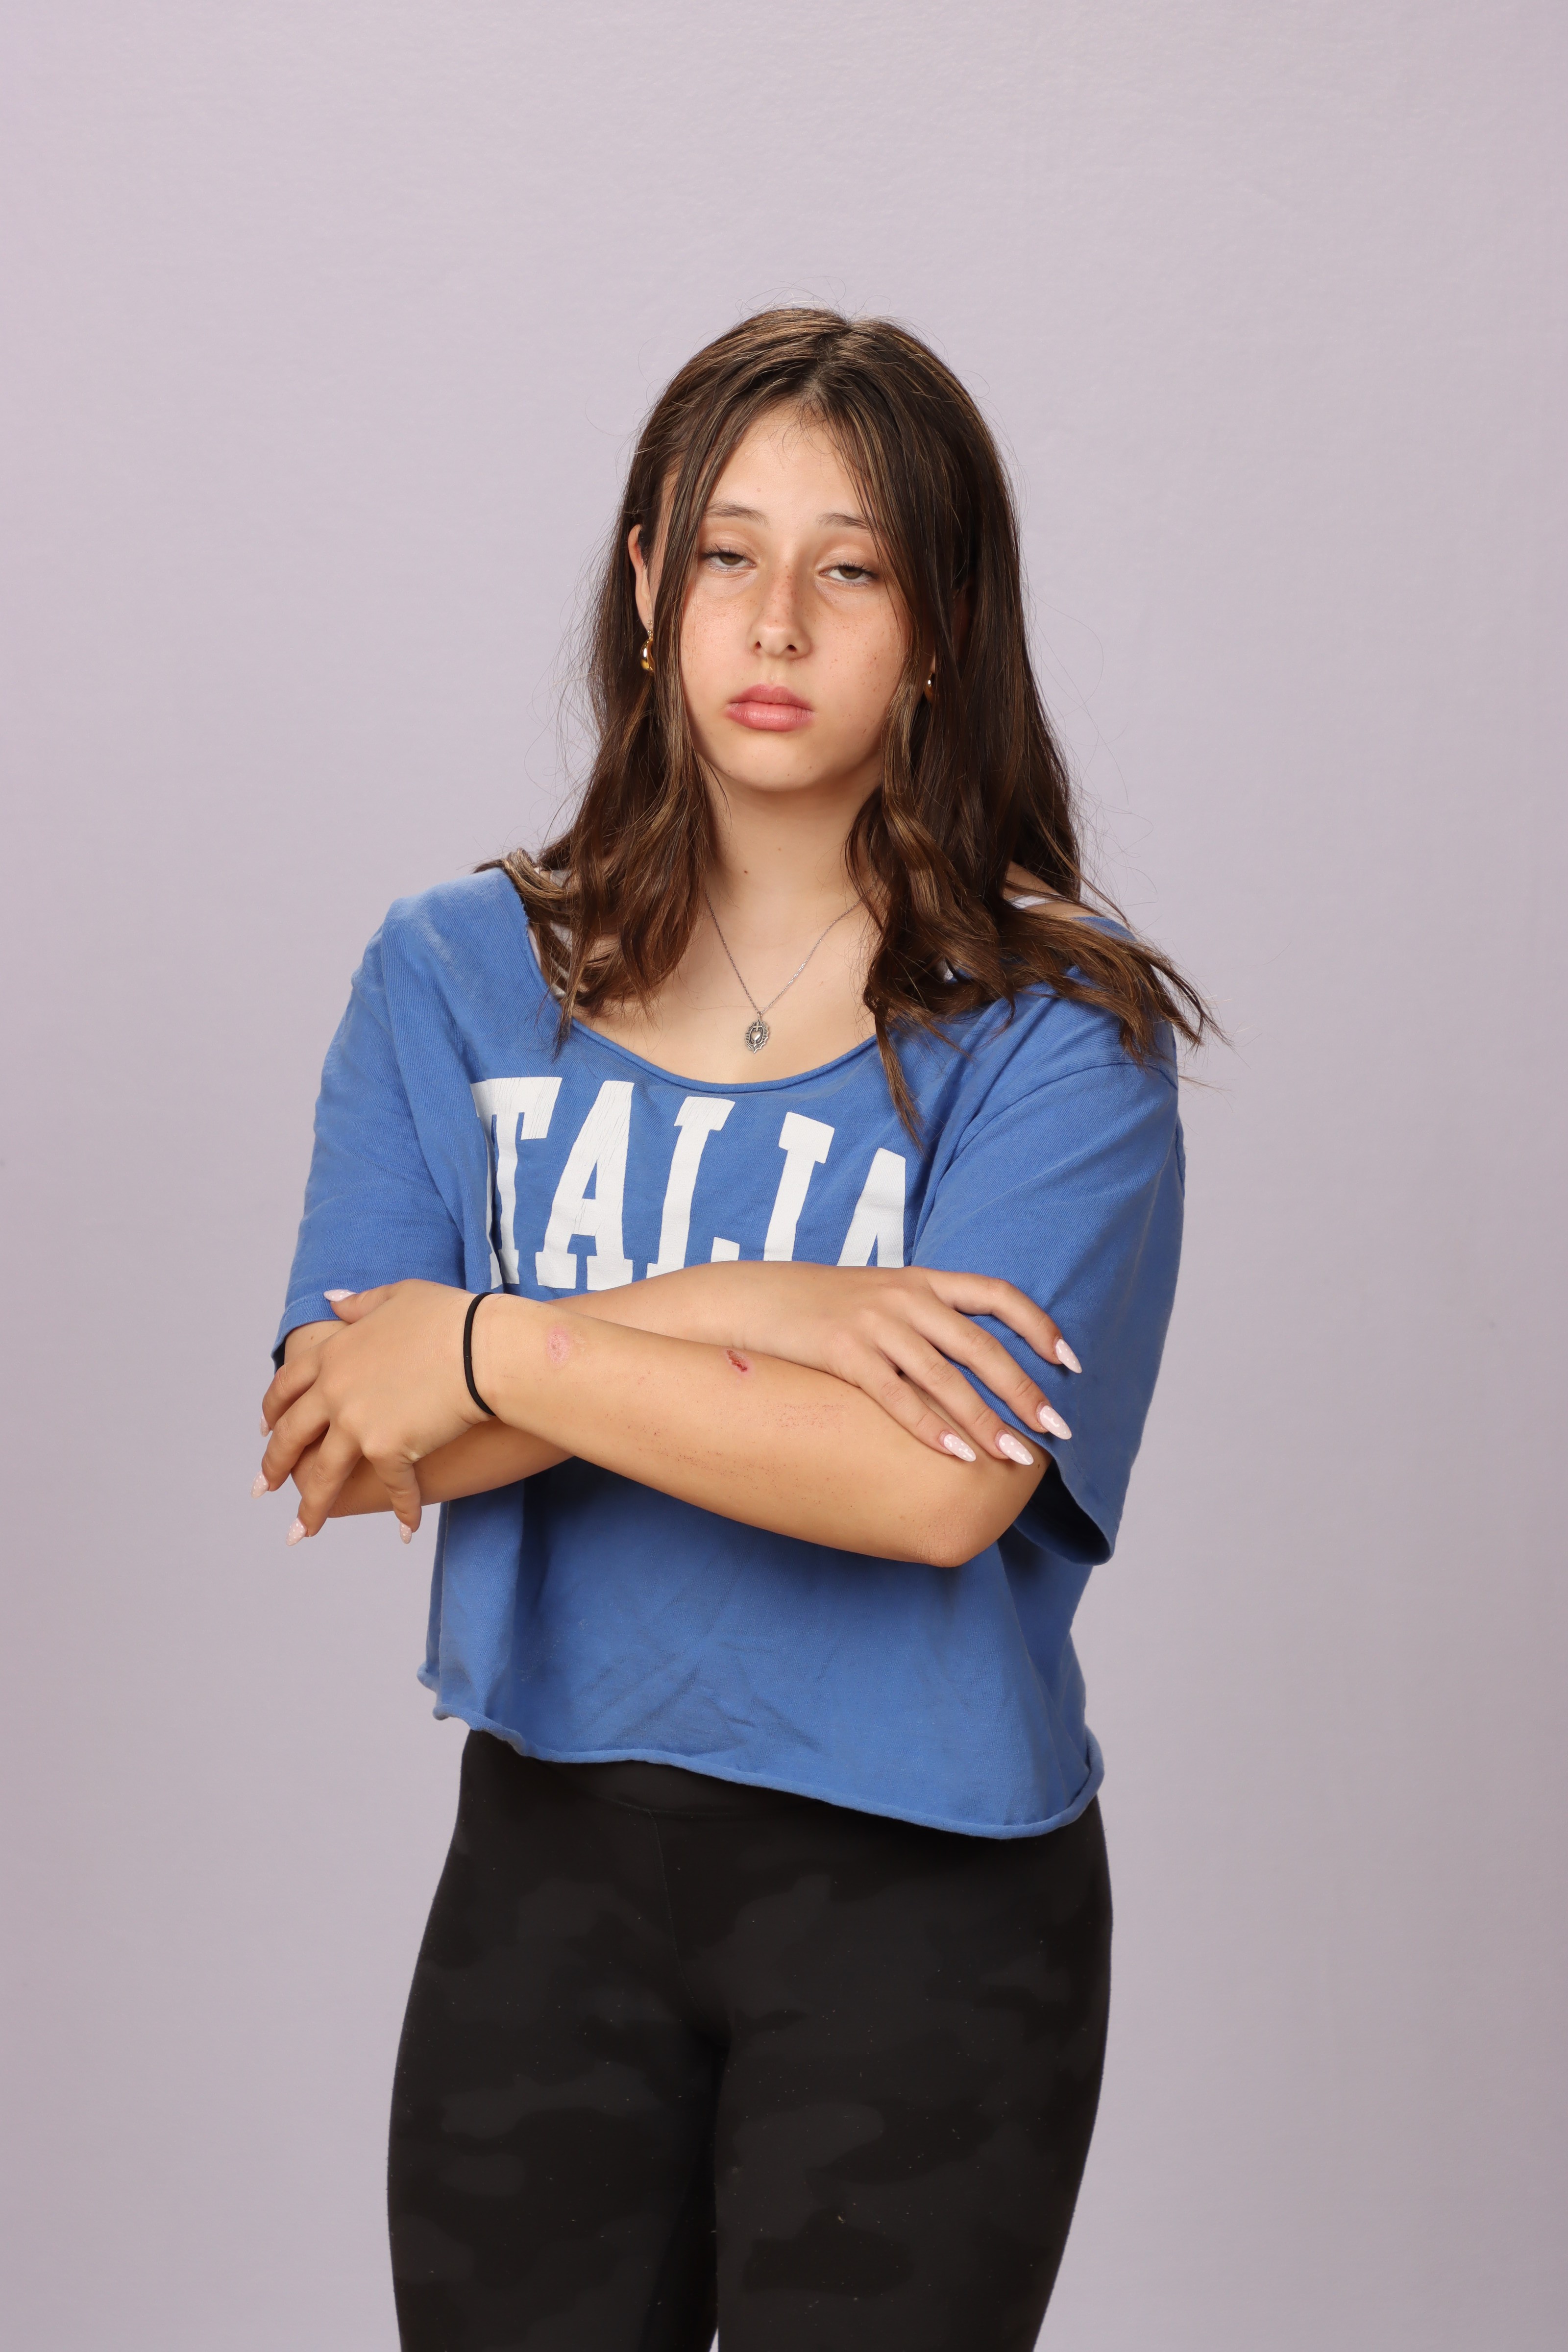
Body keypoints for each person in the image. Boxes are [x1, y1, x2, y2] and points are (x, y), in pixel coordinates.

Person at [257, 307, 1209, 2352]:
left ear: (939, 625)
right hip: (545, 1882)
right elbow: (344, 1439)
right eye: (724, 553)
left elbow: (931, 1489)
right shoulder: (454, 973)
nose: (774, 622)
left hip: (930, 1912)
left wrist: (485, 1348)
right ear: (644, 583)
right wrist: (753, 1307)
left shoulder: (1058, 1031)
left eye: (850, 569)